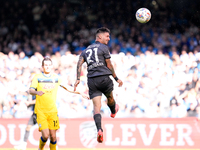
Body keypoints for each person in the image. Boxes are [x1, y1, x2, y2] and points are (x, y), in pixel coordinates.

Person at [74, 27, 123, 143]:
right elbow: (109, 65)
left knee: (96, 108)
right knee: (110, 98)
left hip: (92, 81)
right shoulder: (104, 48)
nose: (109, 39)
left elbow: (79, 63)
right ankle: (113, 111)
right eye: (107, 36)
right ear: (99, 37)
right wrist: (116, 78)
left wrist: (77, 78)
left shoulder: (86, 50)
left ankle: (99, 130)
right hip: (104, 78)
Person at [29, 56, 89, 150]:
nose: (47, 67)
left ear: (52, 66)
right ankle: (40, 149)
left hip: (52, 111)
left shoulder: (56, 78)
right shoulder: (37, 77)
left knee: (53, 137)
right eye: (46, 65)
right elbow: (30, 90)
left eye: (49, 65)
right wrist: (36, 92)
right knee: (45, 135)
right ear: (42, 66)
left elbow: (68, 88)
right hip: (41, 111)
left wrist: (80, 92)